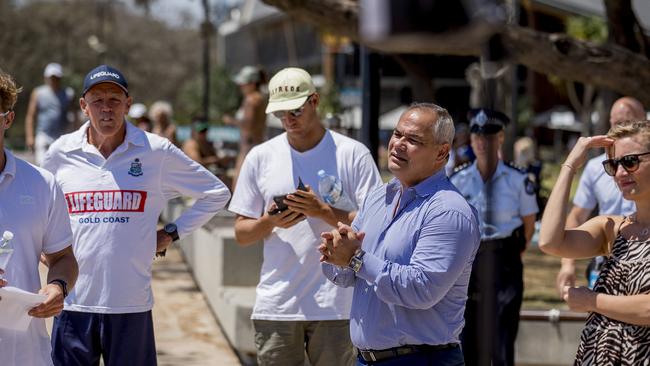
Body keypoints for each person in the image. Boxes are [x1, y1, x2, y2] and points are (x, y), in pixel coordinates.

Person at [42, 64, 231, 366]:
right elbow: (42, 205)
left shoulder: (156, 151)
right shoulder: (60, 153)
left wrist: (171, 232)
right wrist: (44, 246)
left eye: (115, 100)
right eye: (98, 100)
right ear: (83, 106)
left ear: (128, 104)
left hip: (131, 306)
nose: (106, 108)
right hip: (73, 303)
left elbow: (216, 193)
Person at [228, 67, 382, 366]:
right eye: (280, 114)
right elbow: (241, 234)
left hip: (338, 305)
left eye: (295, 110)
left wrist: (323, 212)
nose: (288, 120)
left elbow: (377, 225)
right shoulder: (261, 157)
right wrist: (269, 222)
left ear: (315, 101)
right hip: (278, 305)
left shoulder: (352, 154)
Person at [319, 102, 480, 365]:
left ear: (442, 153)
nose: (398, 144)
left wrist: (357, 258)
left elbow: (421, 289)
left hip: (421, 359)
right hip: (366, 358)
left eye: (413, 139)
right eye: (397, 134)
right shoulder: (379, 197)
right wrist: (336, 253)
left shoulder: (449, 211)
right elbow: (350, 274)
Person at [539, 120, 650, 365]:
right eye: (613, 165)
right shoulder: (612, 228)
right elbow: (549, 241)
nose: (621, 173)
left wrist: (591, 301)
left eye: (630, 162)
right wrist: (570, 165)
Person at [0, 70, 78, 366]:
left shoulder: (42, 184)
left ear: (8, 119)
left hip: (26, 352)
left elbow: (63, 257)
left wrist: (58, 287)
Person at [450, 108, 538, 366]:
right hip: (469, 260)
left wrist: (511, 250)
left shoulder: (518, 179)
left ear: (500, 139)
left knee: (502, 335)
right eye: (476, 138)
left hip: (505, 259)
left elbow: (529, 224)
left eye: (487, 138)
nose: (481, 143)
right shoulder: (459, 179)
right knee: (469, 335)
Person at [556, 97, 646, 295]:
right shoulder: (595, 168)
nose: (620, 173)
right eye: (615, 123)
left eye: (628, 122)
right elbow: (577, 216)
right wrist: (567, 264)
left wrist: (590, 301)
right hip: (607, 251)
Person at [223, 65, 268, 186]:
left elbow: (248, 125)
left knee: (239, 187)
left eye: (243, 84)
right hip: (257, 144)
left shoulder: (251, 100)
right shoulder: (260, 98)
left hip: (249, 146)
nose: (240, 87)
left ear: (252, 84)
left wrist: (230, 121)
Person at [24, 62, 77, 166]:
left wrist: (76, 136)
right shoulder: (38, 93)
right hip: (43, 134)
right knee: (42, 165)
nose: (53, 80)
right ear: (46, 78)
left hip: (61, 136)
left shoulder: (68, 93)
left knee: (60, 167)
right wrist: (30, 136)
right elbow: (30, 116)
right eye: (51, 77)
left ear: (60, 78)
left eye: (56, 77)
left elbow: (75, 116)